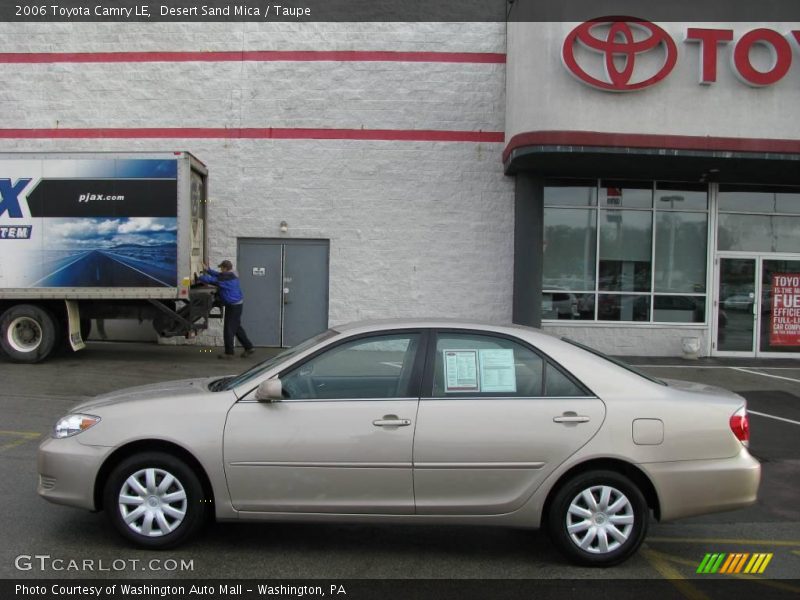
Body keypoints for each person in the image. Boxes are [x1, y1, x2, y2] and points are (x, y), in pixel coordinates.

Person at [198, 259, 255, 359]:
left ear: (225, 268)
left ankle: (229, 353)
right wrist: (208, 270)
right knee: (236, 327)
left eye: (221, 268)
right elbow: (218, 275)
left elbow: (212, 280)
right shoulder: (231, 275)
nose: (220, 269)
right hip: (236, 304)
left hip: (233, 306)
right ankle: (249, 347)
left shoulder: (225, 279)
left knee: (228, 329)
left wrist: (198, 277)